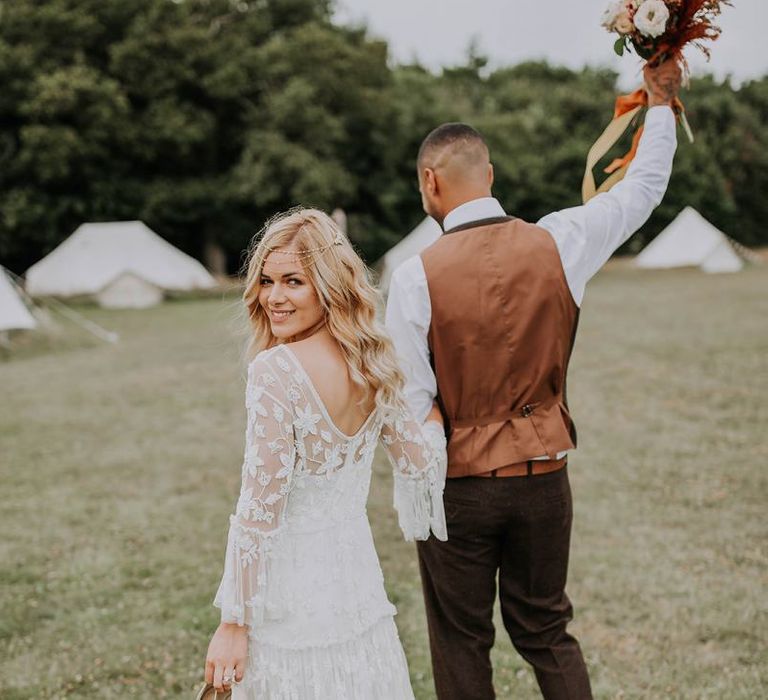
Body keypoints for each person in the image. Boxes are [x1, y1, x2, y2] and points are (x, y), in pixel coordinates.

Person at [384, 60, 682, 700]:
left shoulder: (412, 278)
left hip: (460, 488)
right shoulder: (561, 240)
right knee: (548, 632)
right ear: (489, 176)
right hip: (546, 478)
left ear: (430, 183)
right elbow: (643, 190)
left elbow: (411, 406)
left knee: (462, 642)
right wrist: (660, 104)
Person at [204, 208, 448, 698]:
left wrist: (235, 622)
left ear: (328, 285)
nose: (274, 297)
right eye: (267, 281)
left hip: (289, 597)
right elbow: (420, 467)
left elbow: (259, 511)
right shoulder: (374, 361)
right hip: (357, 589)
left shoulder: (276, 370)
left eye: (293, 281)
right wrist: (436, 423)